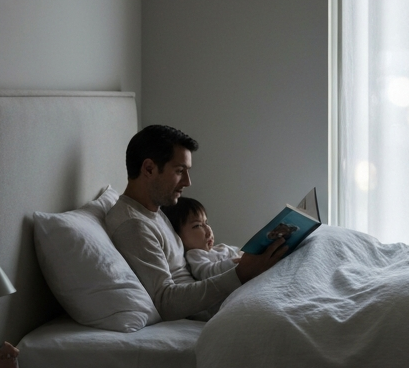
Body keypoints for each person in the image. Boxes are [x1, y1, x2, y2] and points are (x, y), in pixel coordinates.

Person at [104, 125, 287, 320]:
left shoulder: (154, 211)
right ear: (149, 169)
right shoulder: (133, 225)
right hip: (212, 309)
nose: (187, 182)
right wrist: (241, 274)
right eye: (180, 171)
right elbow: (166, 301)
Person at [162, 196, 242, 283]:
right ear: (177, 235)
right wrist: (234, 262)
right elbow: (207, 272)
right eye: (197, 226)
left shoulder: (220, 248)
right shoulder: (194, 255)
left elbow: (241, 252)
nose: (209, 230)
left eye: (206, 223)